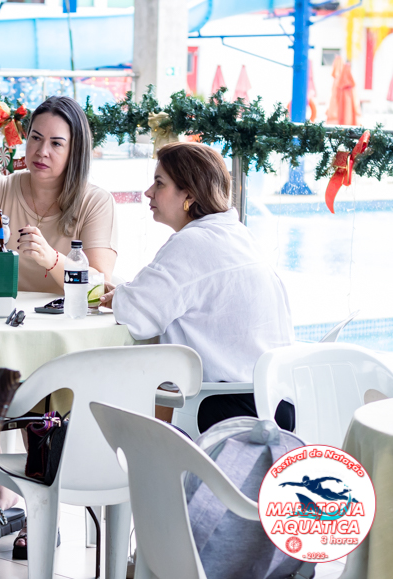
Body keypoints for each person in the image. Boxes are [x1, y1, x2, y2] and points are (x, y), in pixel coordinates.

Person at [99, 141, 294, 433]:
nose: (148, 192)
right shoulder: (236, 234)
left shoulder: (192, 243)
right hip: (277, 406)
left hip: (225, 415)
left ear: (188, 195)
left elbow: (135, 315)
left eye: (159, 183)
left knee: (109, 388)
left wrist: (119, 296)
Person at [0, 96, 118, 291]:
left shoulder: (96, 202)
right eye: (36, 138)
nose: (42, 151)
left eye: (56, 144)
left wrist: (52, 259)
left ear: (75, 150)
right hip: (0, 309)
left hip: (65, 311)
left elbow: (100, 284)